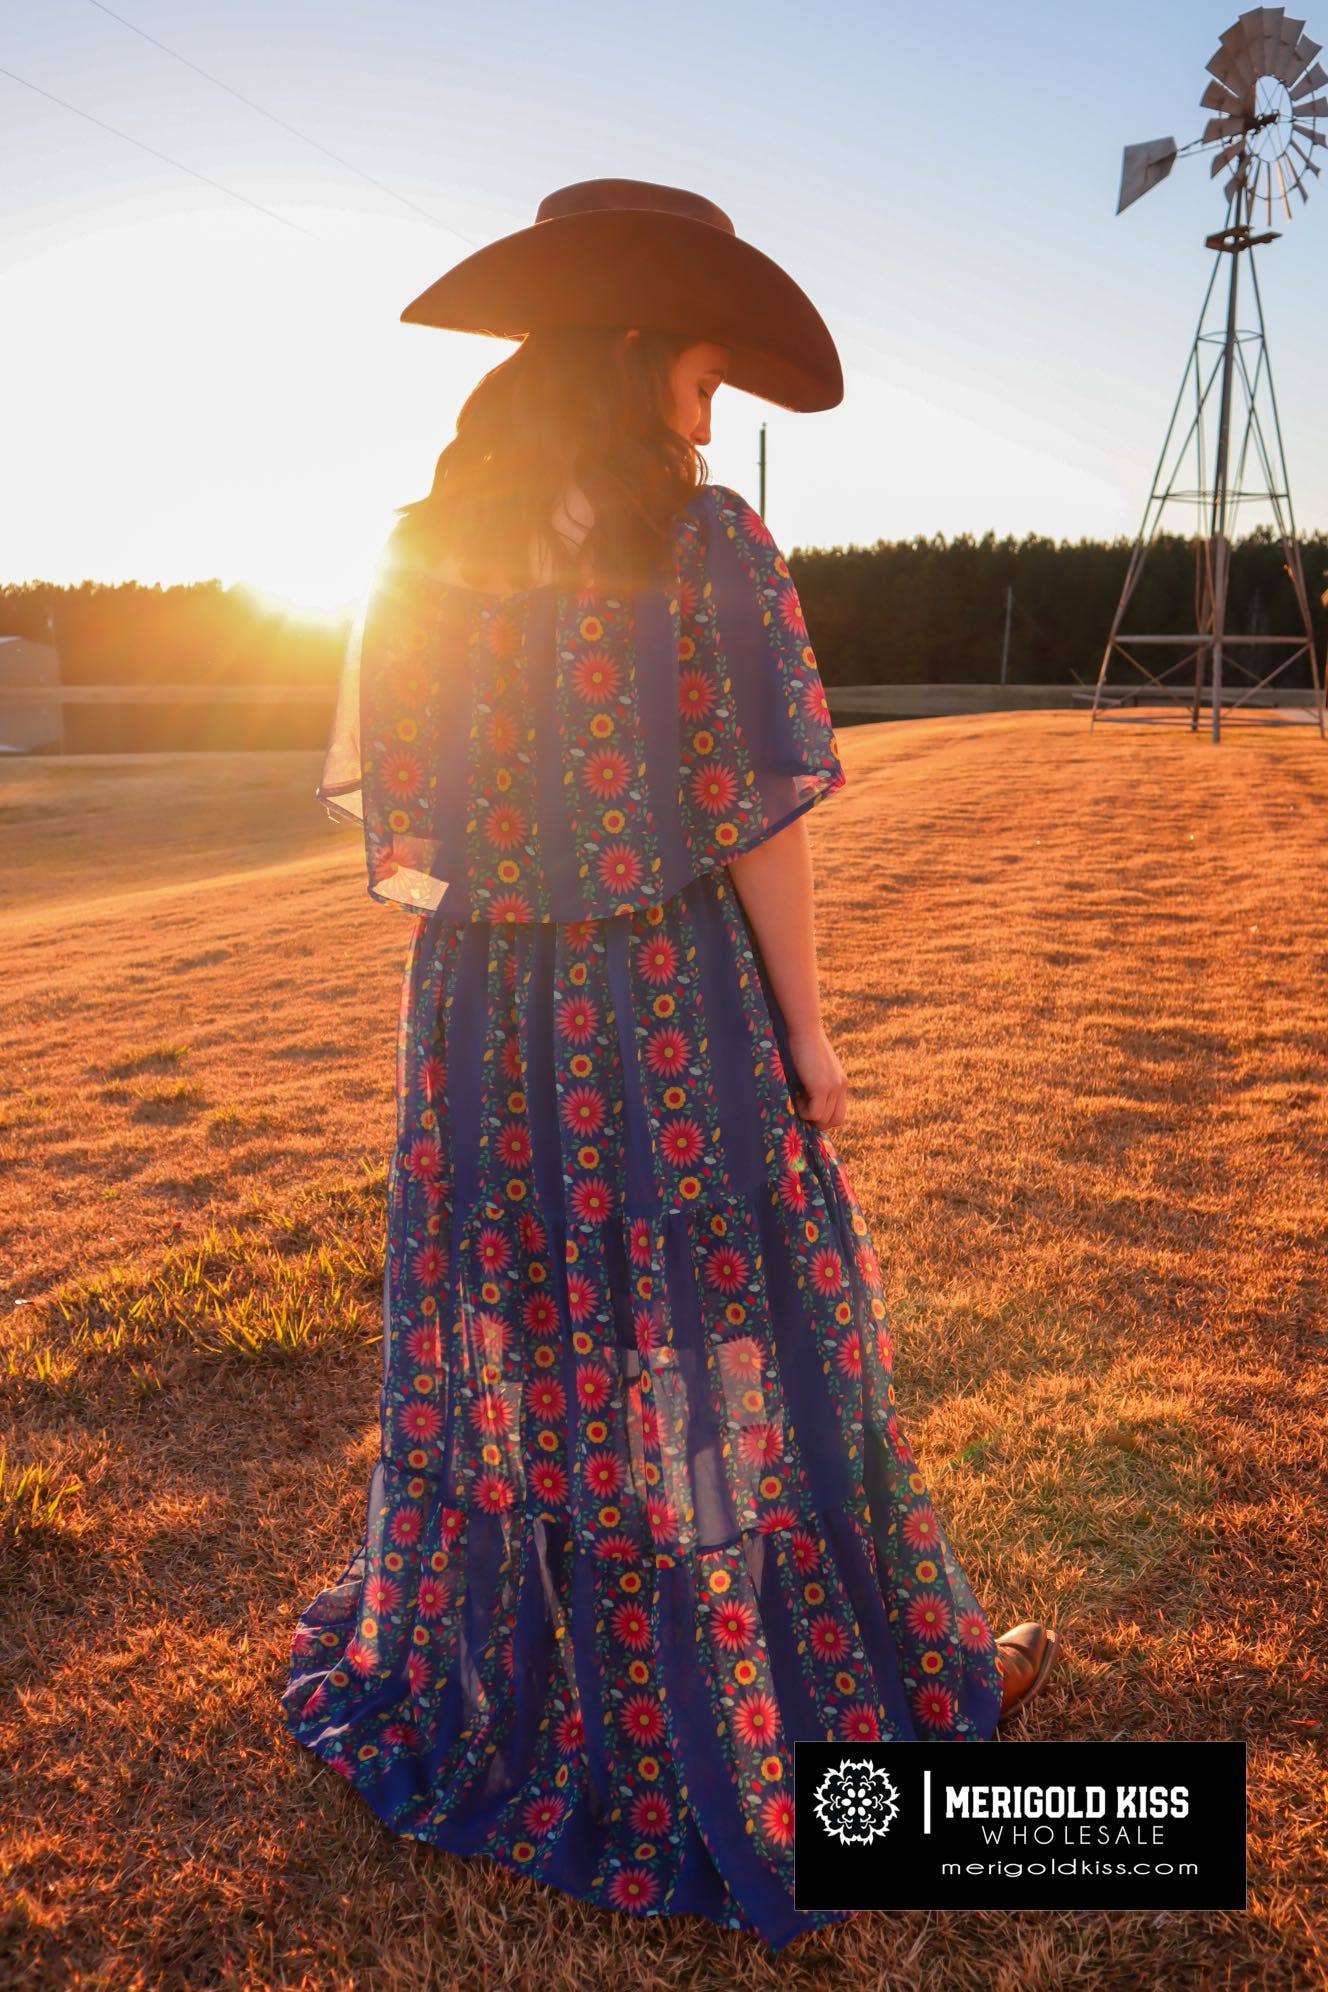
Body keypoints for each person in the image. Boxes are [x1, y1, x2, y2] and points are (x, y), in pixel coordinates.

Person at [281, 178, 1058, 1952]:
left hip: (478, 1013)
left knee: (533, 1317)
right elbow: (758, 822)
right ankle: (775, 1713)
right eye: (709, 357)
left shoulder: (422, 545)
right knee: (723, 1322)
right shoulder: (707, 549)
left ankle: (518, 1690)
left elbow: (414, 807)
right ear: (642, 338)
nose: (721, 396)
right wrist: (810, 1031)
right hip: (668, 1001)